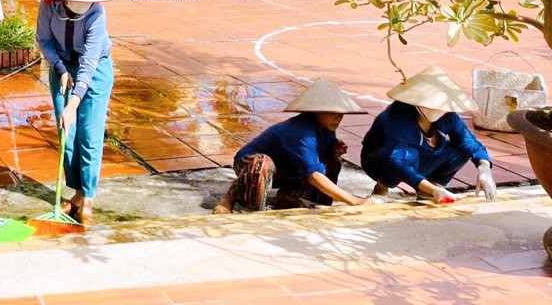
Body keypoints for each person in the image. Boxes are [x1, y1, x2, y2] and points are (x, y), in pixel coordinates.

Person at [213, 79, 374, 213]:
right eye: (332, 113)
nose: (338, 118)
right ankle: (238, 197)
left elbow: (315, 160)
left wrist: (332, 149)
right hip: (251, 163)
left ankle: (290, 196)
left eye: (340, 114)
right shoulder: (302, 132)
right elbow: (314, 176)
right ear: (317, 111)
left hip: (286, 167)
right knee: (261, 164)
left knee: (332, 160)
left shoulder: (325, 128)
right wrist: (353, 201)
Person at [36, 0, 115, 226]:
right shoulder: (48, 4)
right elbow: (43, 39)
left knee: (88, 136)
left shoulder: (96, 13)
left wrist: (73, 104)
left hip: (95, 70)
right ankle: (77, 191)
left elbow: (90, 63)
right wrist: (59, 68)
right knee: (66, 134)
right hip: (60, 66)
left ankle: (88, 197)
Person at [361, 66, 497, 203]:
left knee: (461, 149)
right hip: (382, 161)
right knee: (408, 154)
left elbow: (471, 144)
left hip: (423, 157)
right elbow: (399, 162)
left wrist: (484, 169)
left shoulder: (448, 117)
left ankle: (433, 184)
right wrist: (433, 190)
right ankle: (382, 187)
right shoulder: (397, 117)